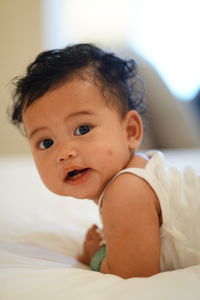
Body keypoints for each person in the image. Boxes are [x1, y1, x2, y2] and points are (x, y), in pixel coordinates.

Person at [10, 43, 200, 279]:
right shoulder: (134, 178)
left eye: (82, 128)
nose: (64, 152)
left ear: (130, 131)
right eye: (46, 142)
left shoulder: (126, 191)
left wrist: (96, 255)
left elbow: (132, 274)